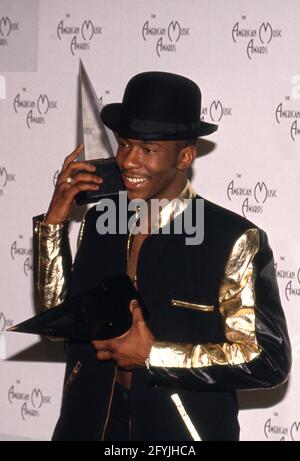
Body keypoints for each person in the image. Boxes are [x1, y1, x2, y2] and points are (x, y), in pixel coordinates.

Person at [33, 71, 291, 441]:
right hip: (89, 424)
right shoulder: (102, 222)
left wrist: (155, 355)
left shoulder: (231, 238)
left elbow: (267, 359)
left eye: (148, 150)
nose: (127, 161)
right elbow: (58, 322)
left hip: (179, 434)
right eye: (124, 144)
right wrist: (54, 223)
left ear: (184, 156)